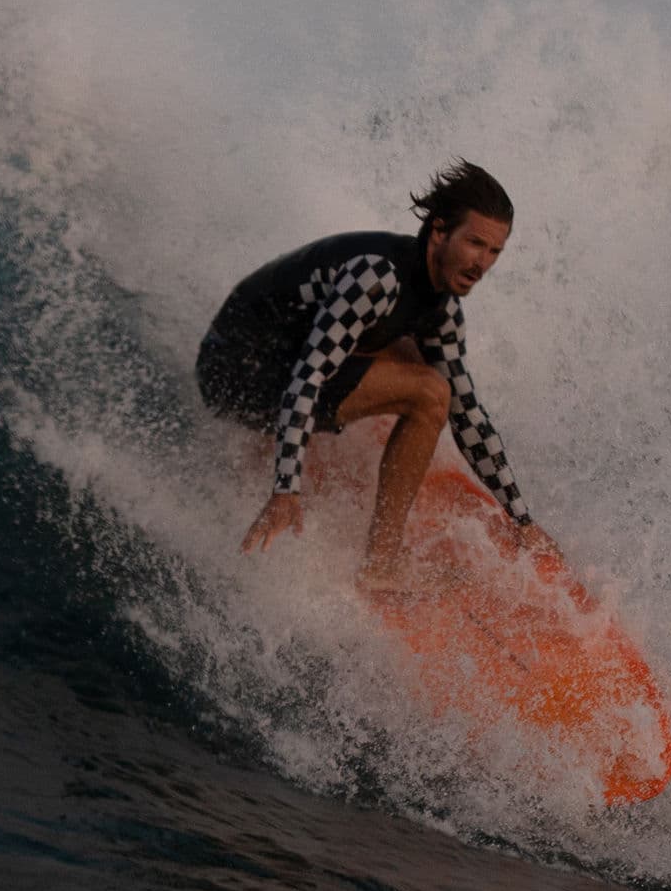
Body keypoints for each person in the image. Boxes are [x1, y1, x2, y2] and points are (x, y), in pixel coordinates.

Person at [194, 160, 556, 586]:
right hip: (233, 374)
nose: (482, 263)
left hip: (275, 357)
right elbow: (308, 375)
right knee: (429, 393)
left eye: (495, 251)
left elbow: (468, 414)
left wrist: (522, 519)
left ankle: (384, 440)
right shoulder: (377, 279)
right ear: (439, 231)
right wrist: (285, 490)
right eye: (475, 243)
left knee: (425, 366)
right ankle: (381, 564)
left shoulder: (440, 309)